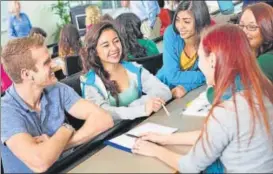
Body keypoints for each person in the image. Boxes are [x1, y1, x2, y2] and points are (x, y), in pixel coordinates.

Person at [132, 24, 273, 173]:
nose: (199, 64)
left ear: (212, 60)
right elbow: (213, 136)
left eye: (200, 57)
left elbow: (189, 167)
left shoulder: (226, 111)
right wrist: (165, 139)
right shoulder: (261, 87)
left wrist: (154, 150)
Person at [1, 34, 114, 173]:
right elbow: (40, 162)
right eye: (46, 62)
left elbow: (105, 119)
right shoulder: (5, 111)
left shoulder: (57, 88)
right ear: (26, 74)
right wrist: (66, 129)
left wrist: (58, 144)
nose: (54, 64)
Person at [80, 21, 172, 120]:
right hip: (115, 133)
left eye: (116, 41)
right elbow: (103, 113)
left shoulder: (133, 68)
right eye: (106, 45)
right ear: (95, 51)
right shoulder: (89, 82)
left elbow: (164, 91)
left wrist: (136, 104)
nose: (114, 48)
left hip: (143, 123)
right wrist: (141, 109)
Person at [207, 2, 273, 104]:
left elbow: (221, 96)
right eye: (241, 26)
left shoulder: (266, 61)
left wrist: (210, 86)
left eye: (252, 27)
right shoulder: (253, 53)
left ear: (267, 29)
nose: (244, 32)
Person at [156, 1, 211, 99]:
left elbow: (213, 71)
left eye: (186, 21)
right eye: (177, 20)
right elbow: (172, 75)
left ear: (200, 22)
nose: (180, 26)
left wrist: (186, 87)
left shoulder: (208, 40)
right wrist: (204, 75)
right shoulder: (171, 33)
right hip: (160, 89)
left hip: (181, 95)